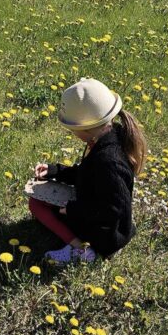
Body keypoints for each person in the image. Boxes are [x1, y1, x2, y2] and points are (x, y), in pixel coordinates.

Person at [28, 77, 147, 264]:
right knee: (39, 199)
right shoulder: (106, 139)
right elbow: (85, 175)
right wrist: (54, 171)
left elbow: (112, 211)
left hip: (105, 235)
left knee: (36, 204)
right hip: (95, 214)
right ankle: (80, 241)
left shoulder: (109, 162)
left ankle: (82, 249)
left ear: (84, 129)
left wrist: (73, 210)